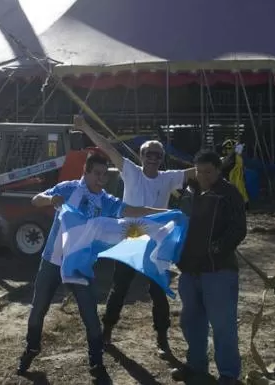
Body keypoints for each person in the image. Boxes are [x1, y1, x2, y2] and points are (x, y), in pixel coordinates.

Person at [18, 150, 168, 385]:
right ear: (85, 173)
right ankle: (32, 348)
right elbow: (35, 200)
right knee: (38, 310)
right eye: (96, 173)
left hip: (79, 267)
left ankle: (96, 362)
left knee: (90, 316)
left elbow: (131, 211)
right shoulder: (68, 189)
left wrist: (163, 214)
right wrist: (51, 199)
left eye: (104, 174)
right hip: (52, 262)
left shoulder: (106, 201)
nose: (101, 178)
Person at [72, 115, 196, 356]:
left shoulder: (168, 177)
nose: (152, 158)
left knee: (158, 291)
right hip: (130, 235)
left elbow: (197, 172)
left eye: (157, 155)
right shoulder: (130, 170)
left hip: (155, 241)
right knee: (120, 287)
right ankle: (107, 330)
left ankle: (162, 337)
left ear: (161, 159)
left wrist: (228, 160)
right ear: (141, 156)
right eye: (148, 154)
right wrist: (85, 126)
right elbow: (107, 147)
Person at [171, 149, 247, 385]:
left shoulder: (228, 194)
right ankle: (196, 365)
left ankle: (228, 374)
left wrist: (215, 248)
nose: (203, 176)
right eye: (199, 171)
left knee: (222, 324)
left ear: (218, 170)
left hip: (218, 271)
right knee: (191, 322)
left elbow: (238, 229)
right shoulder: (189, 192)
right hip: (189, 270)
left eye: (209, 172)